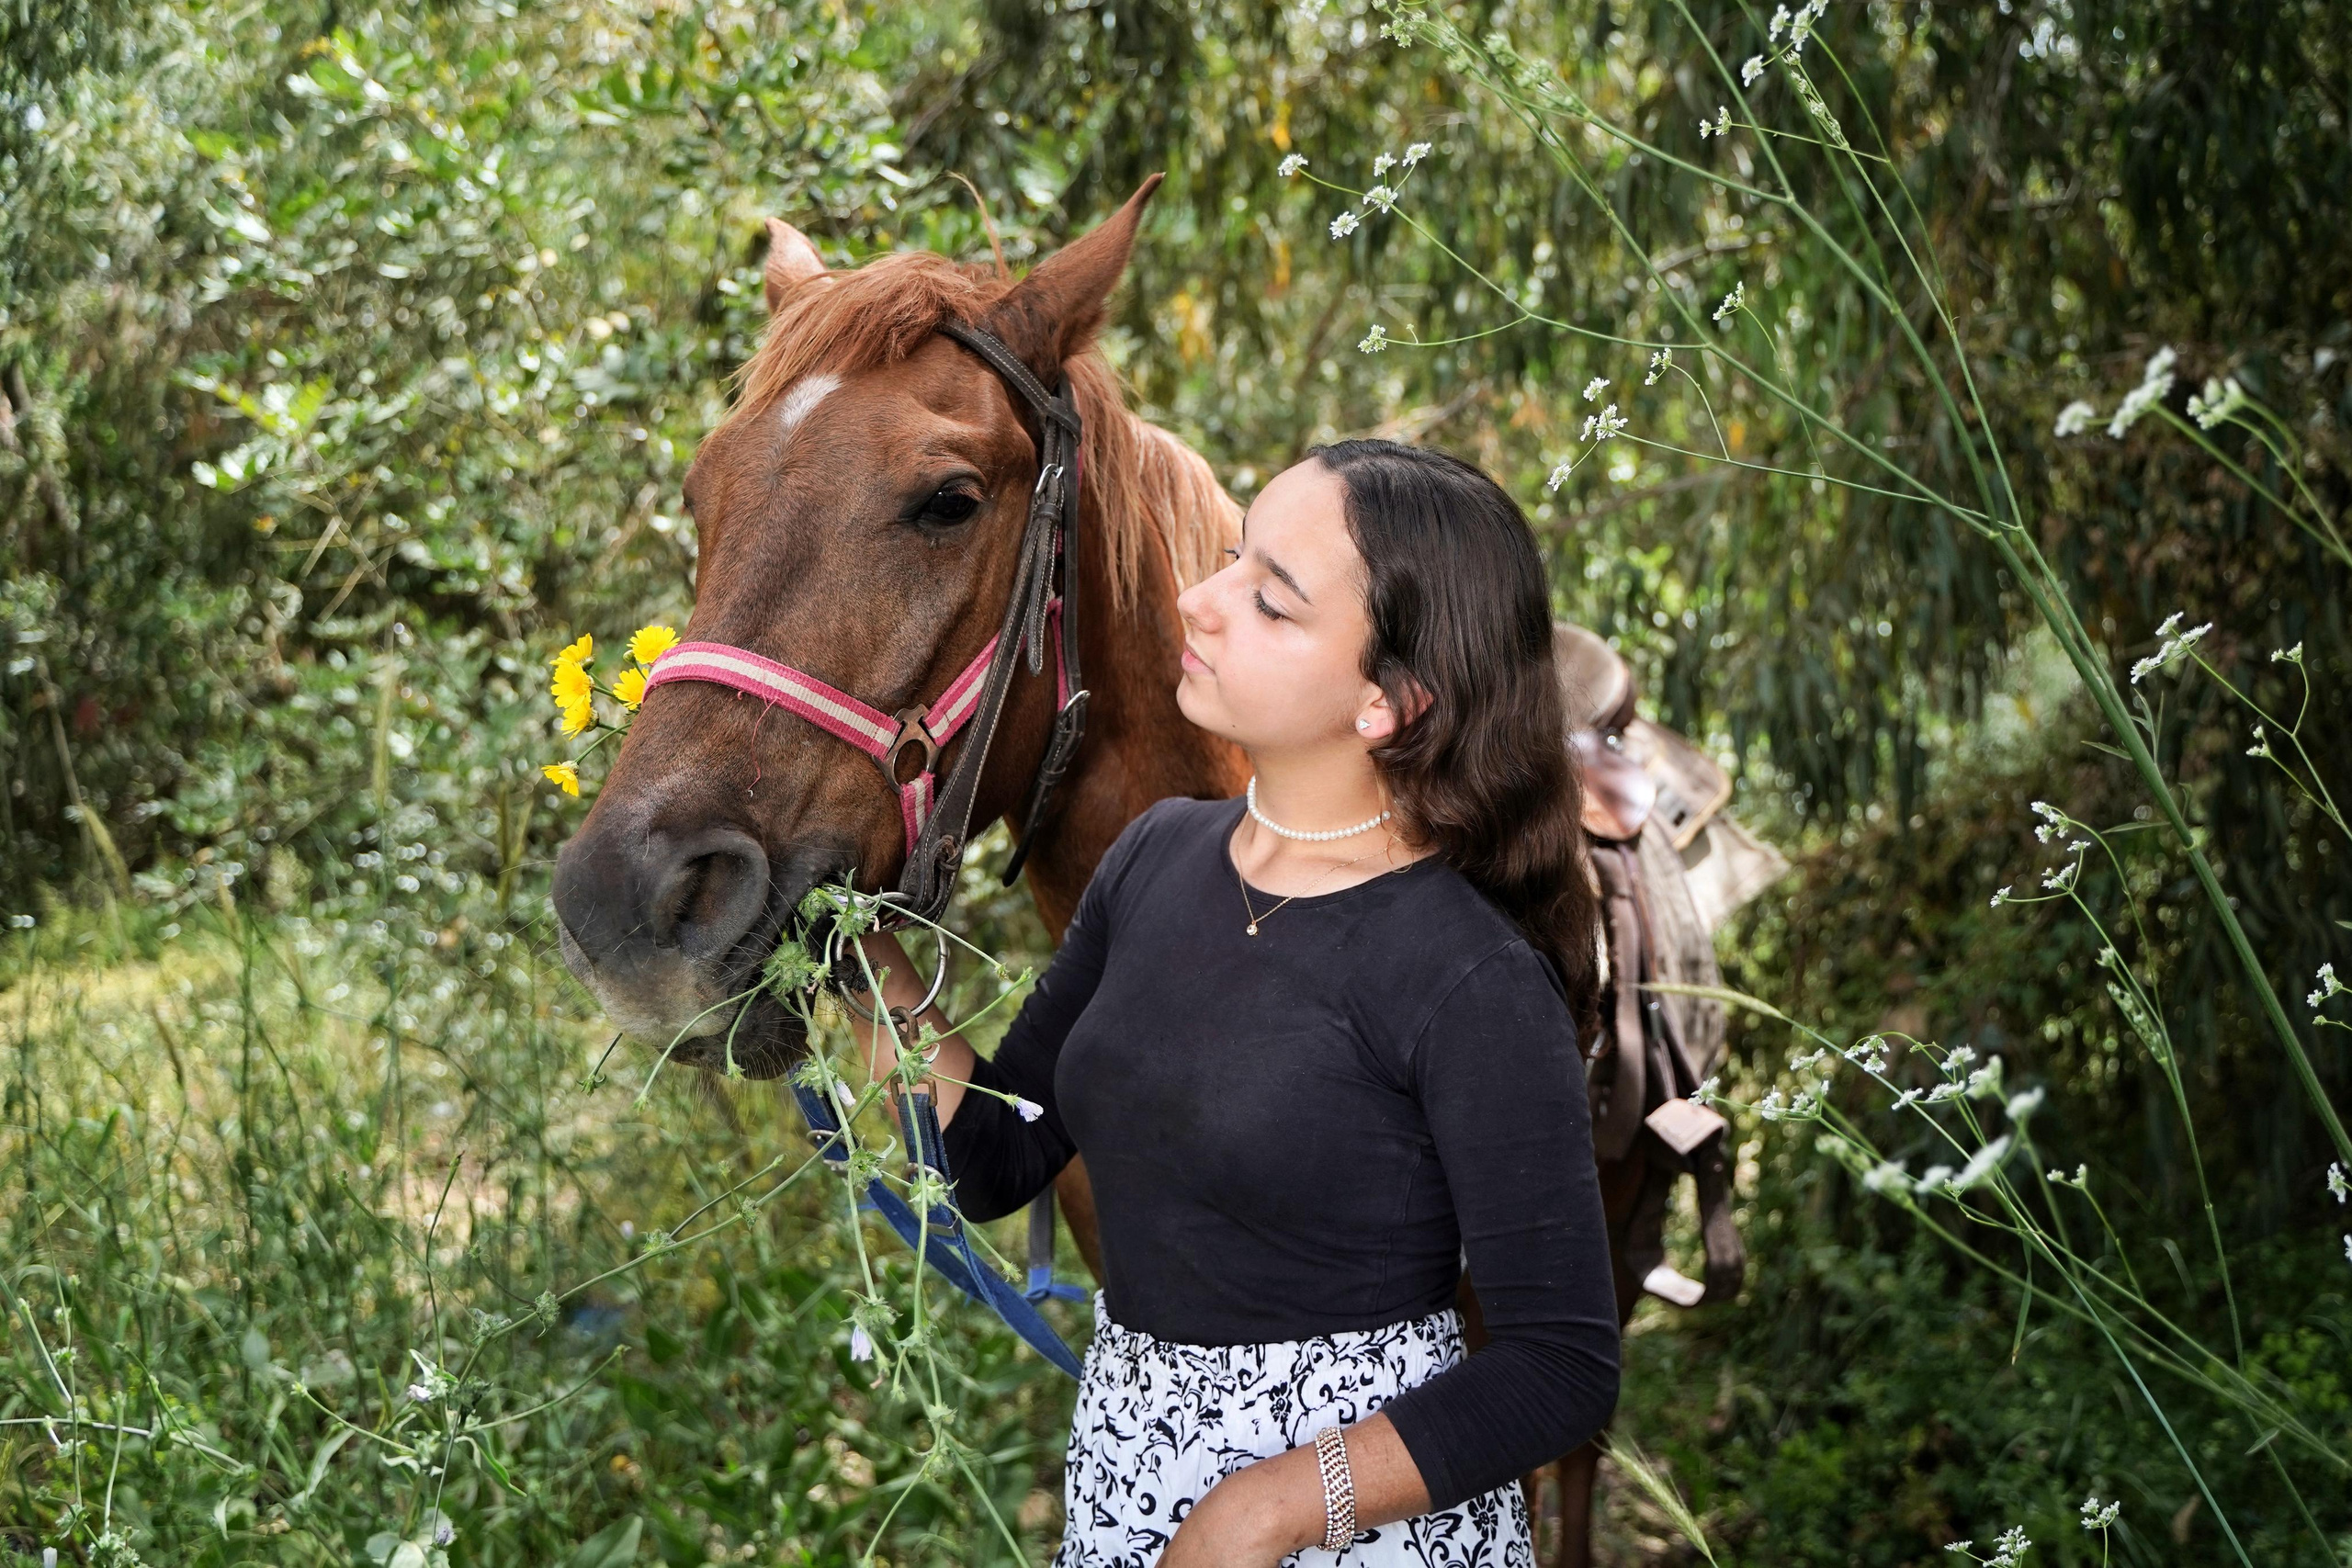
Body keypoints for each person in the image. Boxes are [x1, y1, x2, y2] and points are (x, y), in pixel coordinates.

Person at [852, 438, 1619, 1568]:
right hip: (1130, 1477)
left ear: (1387, 703)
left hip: (1361, 1524)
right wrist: (860, 955)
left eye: (1268, 600)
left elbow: (1560, 1368)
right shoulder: (1157, 857)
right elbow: (994, 1158)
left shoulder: (1464, 972)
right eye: (1224, 561)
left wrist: (1264, 1511)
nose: (1194, 605)